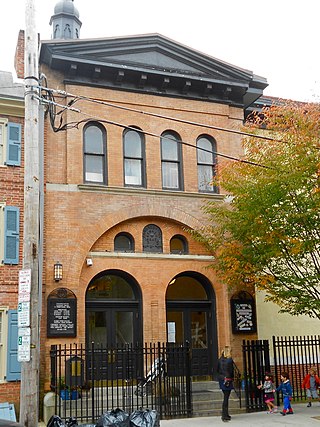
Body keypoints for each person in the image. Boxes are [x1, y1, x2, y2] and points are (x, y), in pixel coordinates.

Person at [217, 346, 234, 422]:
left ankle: (226, 414)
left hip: (221, 380)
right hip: (227, 380)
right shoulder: (230, 360)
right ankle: (224, 415)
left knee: (225, 397)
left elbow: (217, 370)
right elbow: (231, 371)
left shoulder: (219, 360)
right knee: (226, 398)